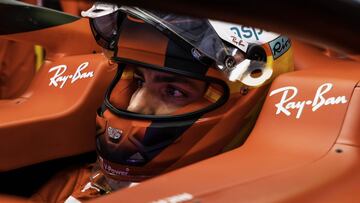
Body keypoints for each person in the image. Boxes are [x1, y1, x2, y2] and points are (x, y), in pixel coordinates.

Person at [31, 3, 294, 202]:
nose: (135, 106)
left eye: (173, 91)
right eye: (139, 80)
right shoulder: (74, 185)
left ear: (243, 99)